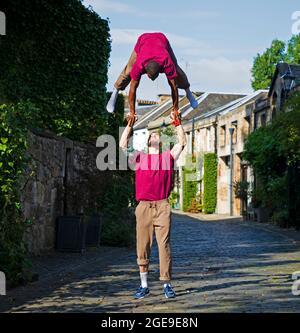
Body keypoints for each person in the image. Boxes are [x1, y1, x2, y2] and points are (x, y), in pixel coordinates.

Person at [119, 110, 186, 299]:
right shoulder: (139, 158)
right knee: (143, 245)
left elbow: (182, 142)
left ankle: (167, 284)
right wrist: (130, 124)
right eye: (152, 135)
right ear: (148, 142)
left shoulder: (167, 158)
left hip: (162, 205)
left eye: (157, 134)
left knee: (164, 245)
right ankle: (144, 285)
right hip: (144, 207)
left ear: (161, 141)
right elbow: (123, 144)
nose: (154, 135)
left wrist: (177, 122)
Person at [107, 32, 198, 116]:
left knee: (176, 68)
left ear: (161, 69)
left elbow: (173, 87)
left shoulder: (167, 63)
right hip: (143, 41)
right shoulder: (139, 65)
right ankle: (115, 91)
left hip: (162, 40)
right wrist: (132, 112)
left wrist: (175, 109)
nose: (152, 80)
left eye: (155, 77)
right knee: (128, 70)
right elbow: (132, 89)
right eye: (151, 77)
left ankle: (188, 91)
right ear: (145, 71)